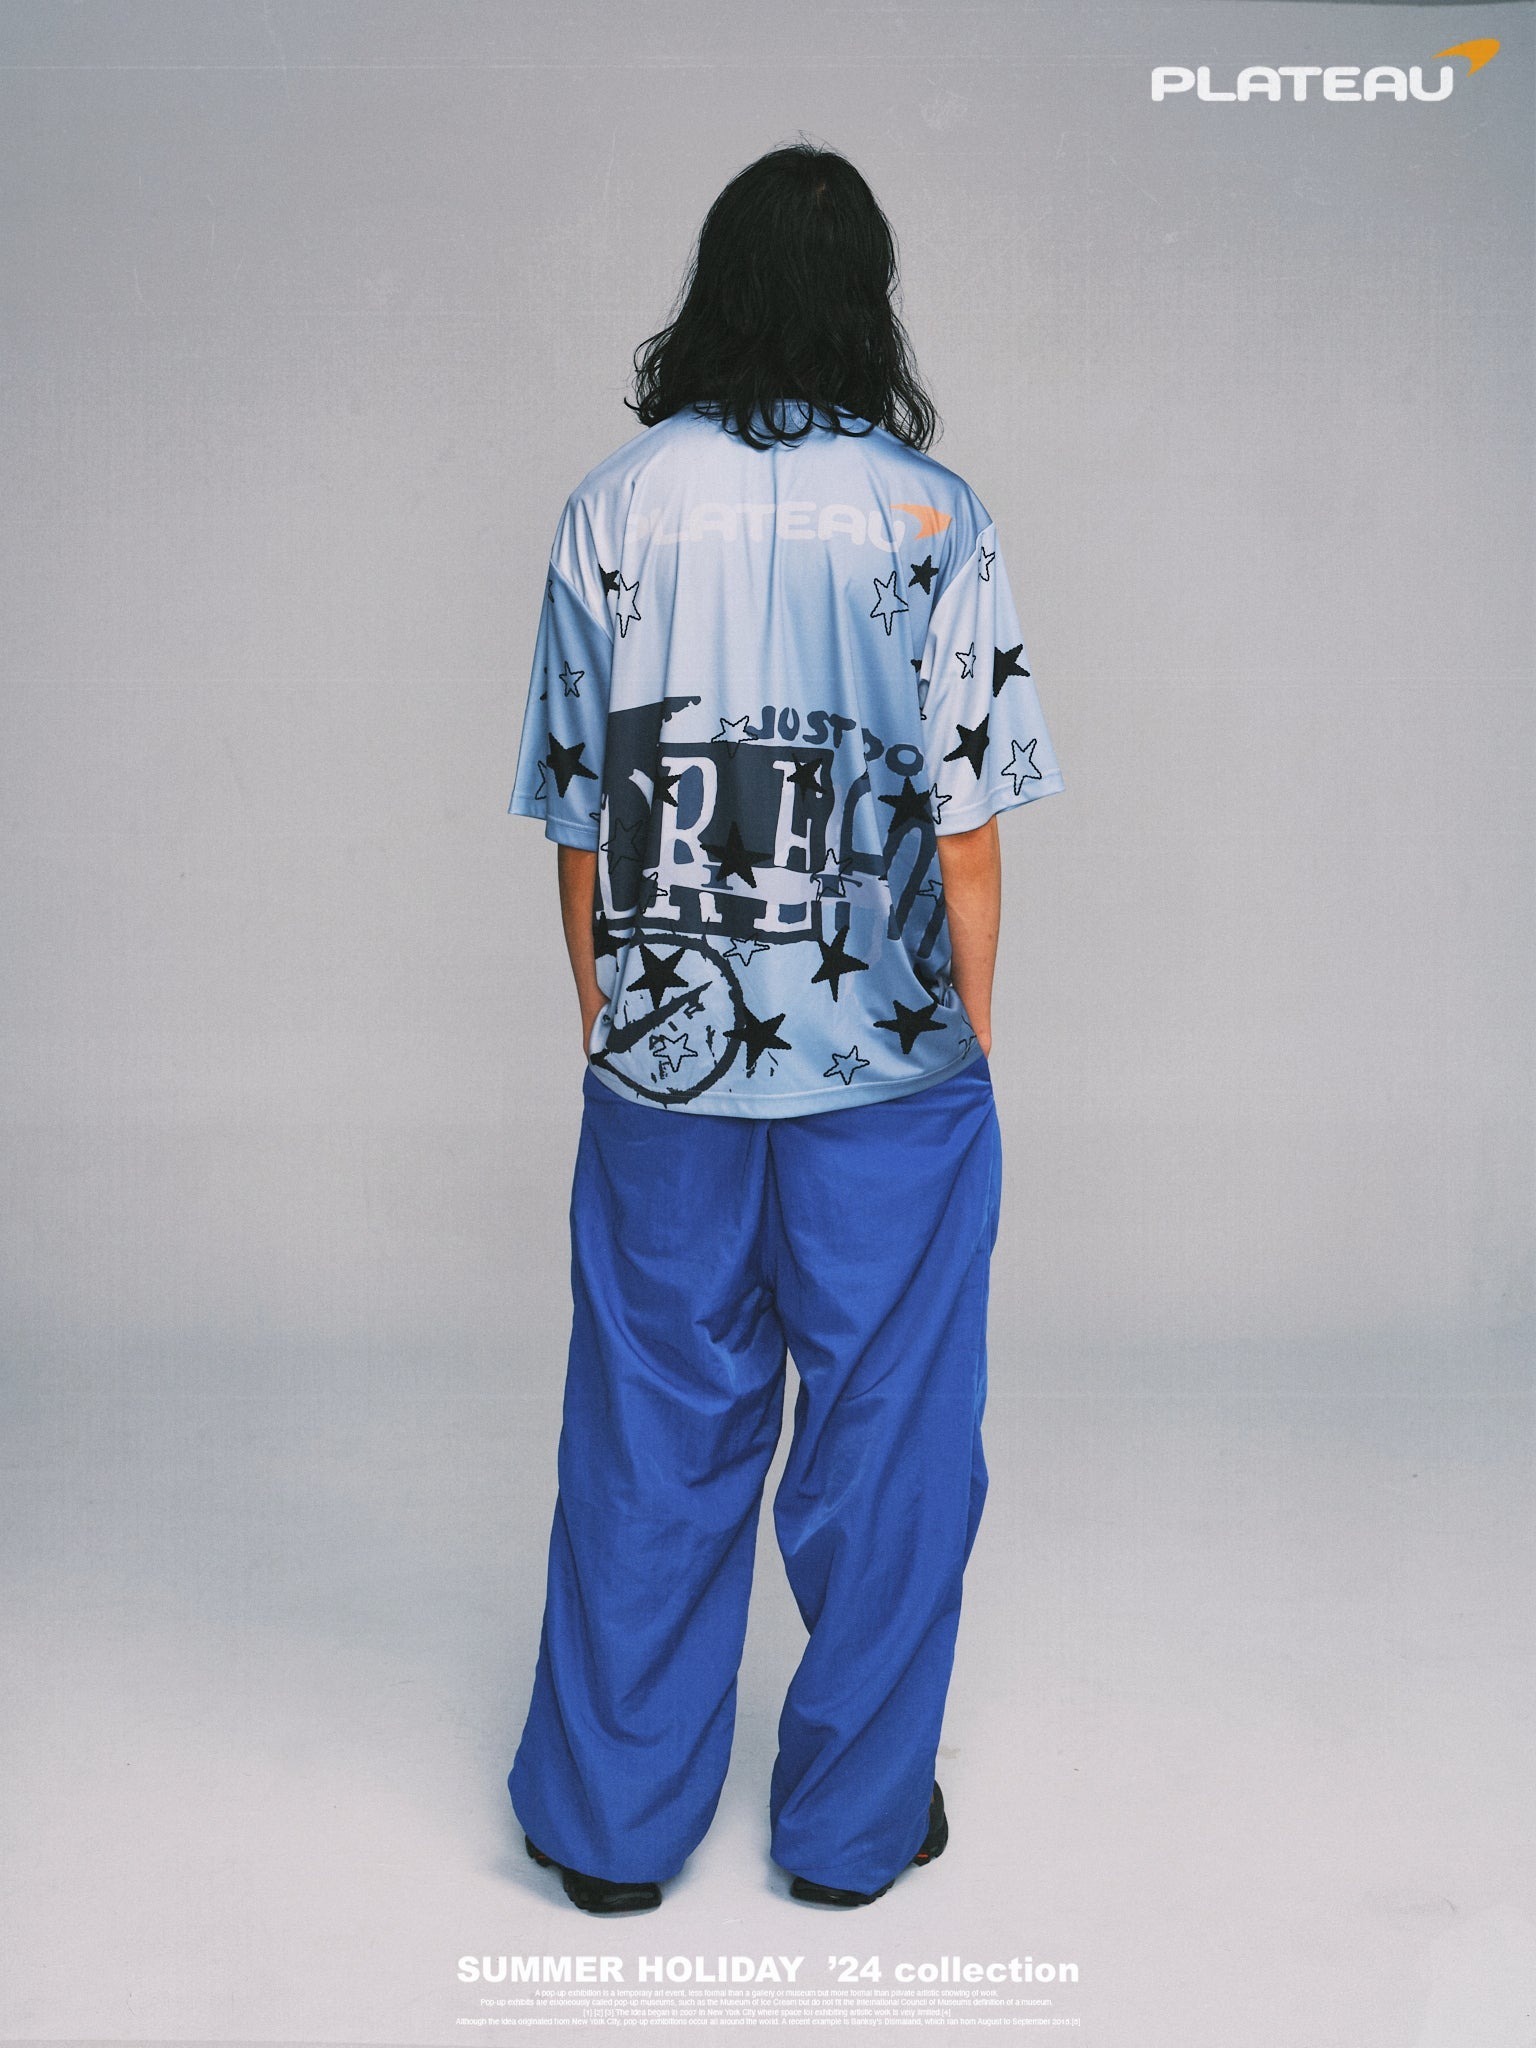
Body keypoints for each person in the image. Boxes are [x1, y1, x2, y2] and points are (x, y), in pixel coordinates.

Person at [503, 142, 1065, 1915]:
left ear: (715, 287)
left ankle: (610, 1837)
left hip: (664, 1066)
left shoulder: (611, 507)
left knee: (651, 1430)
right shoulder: (934, 517)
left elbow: (581, 823)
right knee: (891, 1442)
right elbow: (965, 833)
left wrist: (616, 1032)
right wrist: (968, 1053)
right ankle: (851, 1831)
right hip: (891, 1070)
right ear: (865, 300)